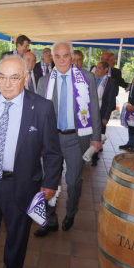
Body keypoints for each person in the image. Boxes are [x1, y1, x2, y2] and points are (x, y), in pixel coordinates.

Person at [0, 55, 62, 268]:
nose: (7, 84)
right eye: (2, 77)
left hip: (21, 184)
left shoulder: (42, 108)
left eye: (14, 78)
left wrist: (50, 182)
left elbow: (53, 152)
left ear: (25, 78)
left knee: (17, 239)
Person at [35, 41, 102, 237]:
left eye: (65, 56)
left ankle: (71, 212)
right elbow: (38, 115)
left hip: (75, 138)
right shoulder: (44, 82)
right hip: (51, 139)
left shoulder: (87, 77)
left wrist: (96, 137)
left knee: (73, 182)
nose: (62, 60)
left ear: (71, 57)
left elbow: (94, 110)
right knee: (50, 181)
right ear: (52, 58)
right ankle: (51, 220)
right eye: (58, 56)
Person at [91, 61, 118, 166]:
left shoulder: (111, 82)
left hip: (101, 112)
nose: (96, 70)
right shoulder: (92, 78)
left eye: (99, 68)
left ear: (105, 70)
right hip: (90, 111)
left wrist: (106, 117)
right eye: (96, 67)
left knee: (98, 134)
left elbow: (110, 101)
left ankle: (94, 156)